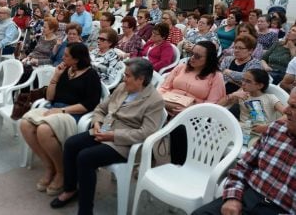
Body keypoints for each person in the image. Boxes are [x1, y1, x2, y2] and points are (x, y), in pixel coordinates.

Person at [50, 58, 164, 213]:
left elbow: (146, 132)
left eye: (128, 75)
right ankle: (70, 189)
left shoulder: (155, 100)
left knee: (85, 157)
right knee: (71, 144)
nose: (124, 78)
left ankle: (85, 210)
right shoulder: (123, 88)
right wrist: (97, 123)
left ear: (141, 79)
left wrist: (113, 136)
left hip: (124, 144)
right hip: (103, 130)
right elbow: (101, 109)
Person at [192, 87, 296, 215]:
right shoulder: (276, 129)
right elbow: (243, 166)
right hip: (248, 196)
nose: (286, 110)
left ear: (258, 84)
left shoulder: (269, 99)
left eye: (294, 106)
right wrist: (233, 198)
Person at [20, 43, 101, 196]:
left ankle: (61, 172)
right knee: (25, 124)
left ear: (76, 59)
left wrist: (62, 110)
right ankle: (49, 167)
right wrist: (55, 77)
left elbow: (89, 104)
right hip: (55, 108)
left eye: (66, 56)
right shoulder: (64, 70)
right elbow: (50, 97)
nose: (62, 58)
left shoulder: (91, 75)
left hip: (73, 113)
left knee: (43, 129)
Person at [158, 41, 225, 164]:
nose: (192, 58)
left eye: (198, 56)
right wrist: (161, 100)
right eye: (192, 54)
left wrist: (189, 111)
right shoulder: (182, 67)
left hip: (194, 114)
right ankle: (147, 156)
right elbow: (164, 87)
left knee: (180, 129)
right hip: (167, 105)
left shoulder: (216, 76)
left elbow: (211, 104)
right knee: (145, 115)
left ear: (209, 59)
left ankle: (178, 164)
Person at [218, 69, 285, 139]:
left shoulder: (270, 98)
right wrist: (232, 95)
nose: (243, 83)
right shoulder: (242, 95)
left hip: (261, 135)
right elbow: (218, 105)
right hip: (242, 131)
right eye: (243, 80)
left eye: (248, 81)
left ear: (260, 86)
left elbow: (287, 115)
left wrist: (268, 126)